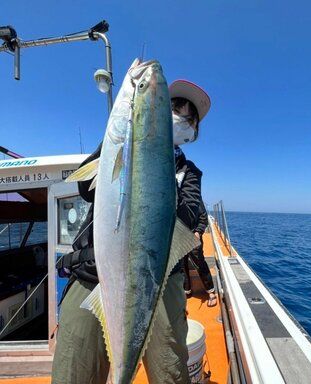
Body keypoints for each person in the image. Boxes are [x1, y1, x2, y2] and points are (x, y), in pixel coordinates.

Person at [51, 78, 211, 384]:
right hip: (92, 274)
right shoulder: (122, 145)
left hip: (159, 282)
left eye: (191, 117)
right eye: (176, 106)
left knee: (171, 374)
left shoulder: (188, 173)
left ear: (193, 134)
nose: (183, 116)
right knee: (74, 371)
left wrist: (156, 174)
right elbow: (86, 188)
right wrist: (122, 139)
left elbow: (191, 216)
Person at [183, 199, 217, 307]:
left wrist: (198, 231)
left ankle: (211, 292)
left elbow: (203, 217)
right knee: (182, 265)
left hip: (194, 235)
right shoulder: (175, 197)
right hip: (179, 237)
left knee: (199, 263)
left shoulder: (195, 197)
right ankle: (187, 290)